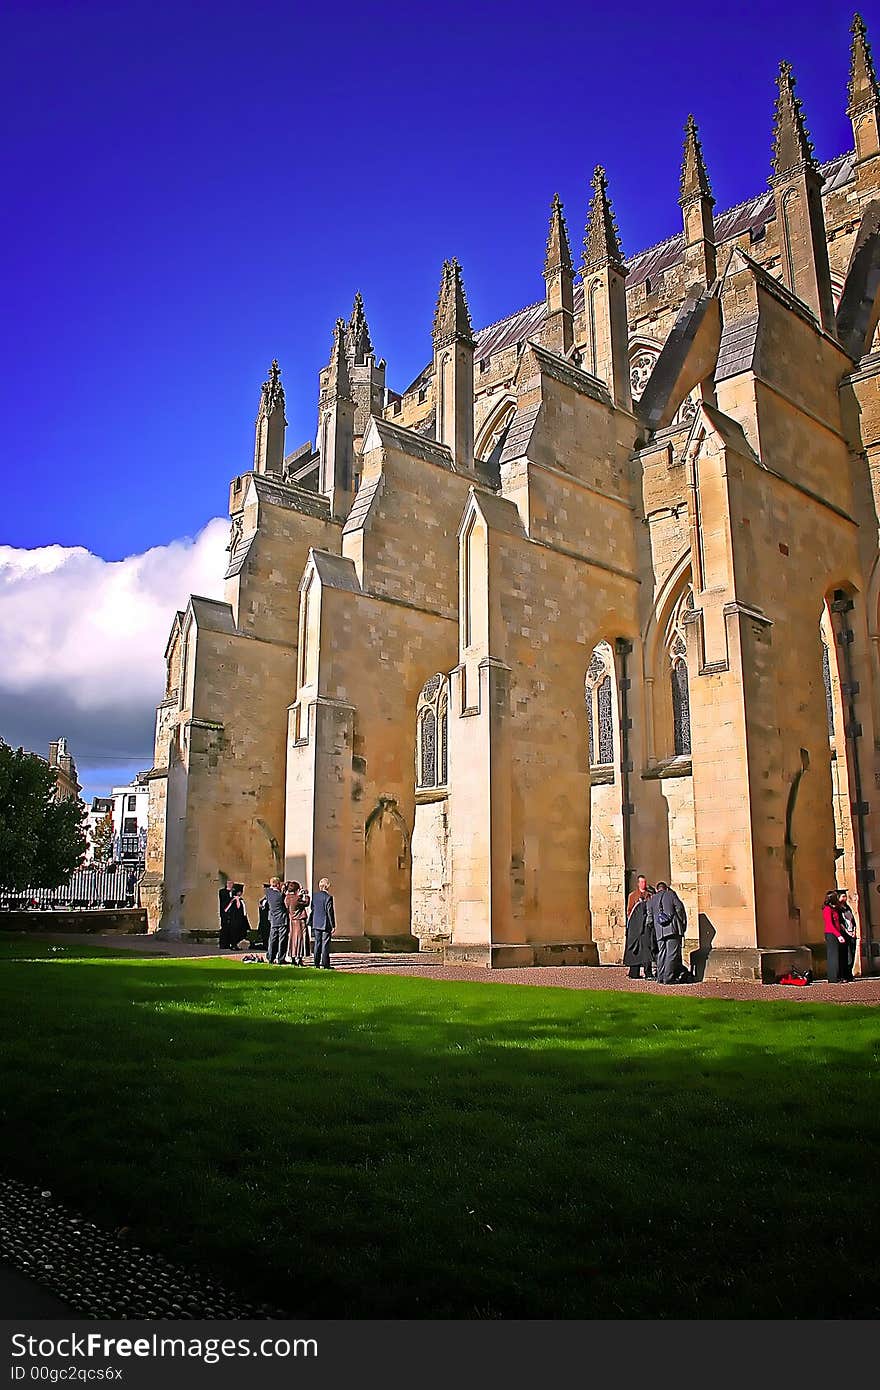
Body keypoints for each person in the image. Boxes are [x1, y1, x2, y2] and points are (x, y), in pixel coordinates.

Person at [645, 880, 688, 983]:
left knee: (662, 953)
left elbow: (649, 918)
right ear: (666, 888)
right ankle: (668, 978)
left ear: (657, 889)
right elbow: (679, 909)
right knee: (672, 953)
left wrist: (654, 927)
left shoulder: (652, 899)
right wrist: (681, 923)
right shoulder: (671, 895)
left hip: (659, 930)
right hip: (672, 928)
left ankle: (660, 977)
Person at [623, 875, 656, 980]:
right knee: (635, 949)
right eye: (641, 882)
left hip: (646, 926)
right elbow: (629, 911)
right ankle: (634, 972)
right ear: (638, 883)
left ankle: (648, 972)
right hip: (636, 925)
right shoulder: (632, 895)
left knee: (646, 949)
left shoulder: (650, 895)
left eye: (644, 882)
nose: (643, 884)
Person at [309, 877, 336, 969]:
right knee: (325, 944)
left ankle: (316, 963)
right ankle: (325, 963)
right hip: (325, 923)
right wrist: (333, 925)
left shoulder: (315, 896)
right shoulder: (328, 897)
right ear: (327, 886)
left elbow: (313, 908)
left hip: (316, 922)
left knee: (317, 943)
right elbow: (330, 912)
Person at [822, 889, 848, 983]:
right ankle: (833, 977)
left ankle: (839, 975)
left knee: (838, 955)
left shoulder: (835, 909)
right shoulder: (827, 909)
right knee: (833, 956)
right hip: (831, 934)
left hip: (836, 933)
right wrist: (838, 935)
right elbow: (829, 924)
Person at [265, 876, 289, 965]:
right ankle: (281, 958)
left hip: (273, 919)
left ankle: (271, 957)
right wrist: (284, 891)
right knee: (282, 940)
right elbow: (284, 904)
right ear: (278, 884)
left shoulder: (268, 892)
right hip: (282, 918)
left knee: (272, 939)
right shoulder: (280, 895)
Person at [284, 880, 310, 965]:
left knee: (292, 939)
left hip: (292, 920)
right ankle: (299, 956)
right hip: (299, 920)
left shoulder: (287, 897)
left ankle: (292, 956)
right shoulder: (296, 898)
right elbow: (306, 903)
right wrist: (306, 895)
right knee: (300, 939)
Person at [220, 882, 249, 949]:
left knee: (240, 932)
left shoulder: (240, 899)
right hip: (235, 919)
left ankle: (237, 944)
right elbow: (229, 908)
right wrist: (235, 900)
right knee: (234, 932)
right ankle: (233, 944)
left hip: (240, 919)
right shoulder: (233, 900)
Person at [837, 889, 858, 981]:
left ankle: (850, 973)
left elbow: (852, 920)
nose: (845, 898)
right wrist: (846, 932)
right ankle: (845, 974)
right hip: (845, 934)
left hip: (851, 932)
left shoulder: (847, 907)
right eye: (843, 896)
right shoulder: (838, 909)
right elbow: (840, 922)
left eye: (845, 896)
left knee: (853, 953)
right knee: (846, 955)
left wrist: (854, 930)